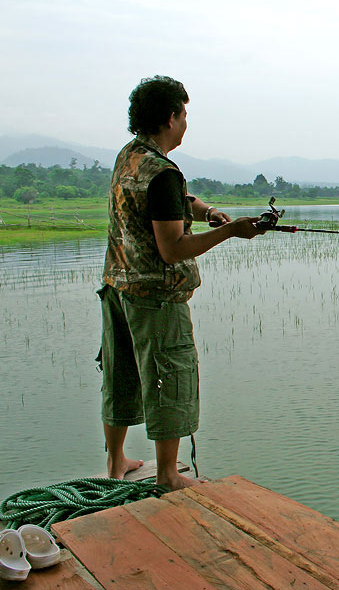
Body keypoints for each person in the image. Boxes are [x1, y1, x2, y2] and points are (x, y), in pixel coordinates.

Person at [97, 76, 266, 491]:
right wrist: (232, 231)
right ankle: (170, 477)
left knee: (121, 375)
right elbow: (172, 249)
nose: (186, 121)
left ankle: (116, 461)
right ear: (170, 118)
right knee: (169, 377)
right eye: (184, 113)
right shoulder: (162, 172)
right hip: (156, 297)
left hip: (118, 289)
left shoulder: (131, 156)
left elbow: (177, 202)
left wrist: (209, 211)